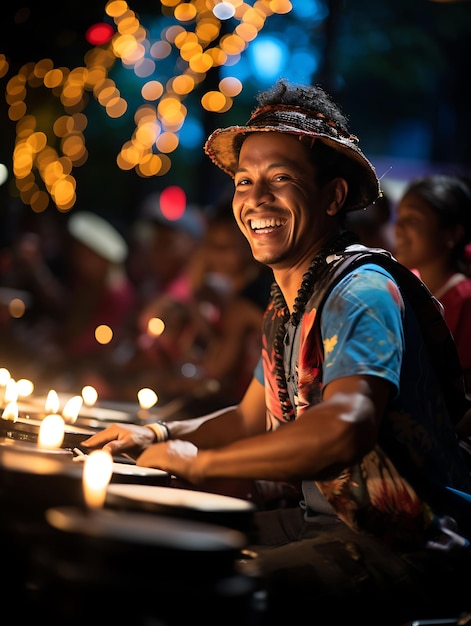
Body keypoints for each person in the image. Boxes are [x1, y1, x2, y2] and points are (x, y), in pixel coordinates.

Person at [82, 79, 471, 625]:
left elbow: (345, 427)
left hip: (404, 548)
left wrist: (203, 464)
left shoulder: (359, 290)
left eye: (280, 178)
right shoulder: (288, 299)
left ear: (332, 196)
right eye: (245, 181)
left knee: (193, 592)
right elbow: (249, 417)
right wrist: (158, 435)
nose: (256, 198)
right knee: (138, 548)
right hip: (323, 524)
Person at [394, 174, 471, 397]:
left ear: (452, 234)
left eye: (413, 220)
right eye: (399, 218)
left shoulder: (464, 299)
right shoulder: (406, 288)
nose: (399, 228)